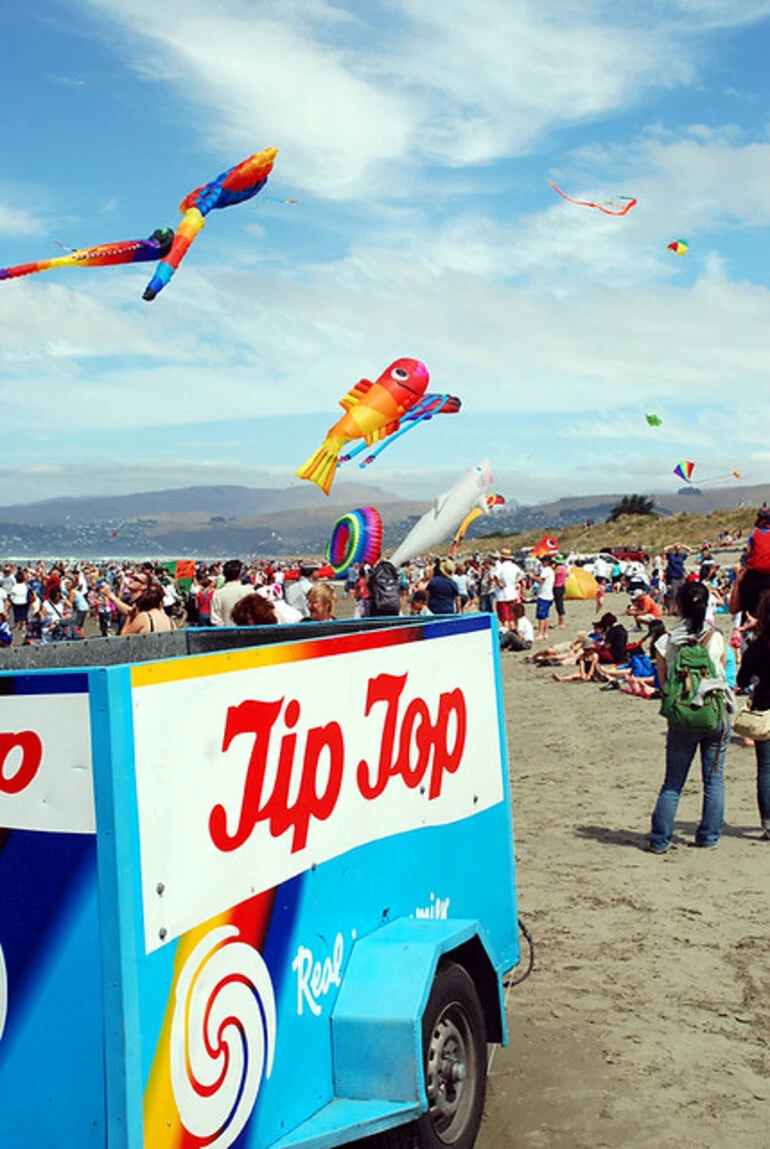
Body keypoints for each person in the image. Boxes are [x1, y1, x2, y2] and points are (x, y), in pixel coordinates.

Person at [648, 581, 730, 854]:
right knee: (714, 780)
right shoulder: (716, 637)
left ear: (679, 605)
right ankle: (709, 836)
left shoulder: (666, 641)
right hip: (714, 714)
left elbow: (663, 683)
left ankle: (660, 839)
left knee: (673, 782)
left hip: (682, 715)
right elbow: (722, 674)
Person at [735, 589, 770, 840]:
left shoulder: (758, 646)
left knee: (766, 768)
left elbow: (742, 679)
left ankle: (769, 823)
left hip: (765, 706)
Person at [211, 559, 251, 627]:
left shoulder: (217, 594)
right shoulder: (250, 591)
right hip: (247, 633)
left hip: (226, 634)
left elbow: (215, 620)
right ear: (240, 574)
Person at [493, 549, 524, 632]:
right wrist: (516, 581)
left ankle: (507, 635)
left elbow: (495, 576)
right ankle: (514, 633)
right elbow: (522, 574)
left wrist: (499, 584)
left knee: (504, 619)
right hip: (512, 594)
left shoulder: (501, 567)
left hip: (502, 595)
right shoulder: (514, 566)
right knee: (512, 618)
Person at [664, 544, 689, 614]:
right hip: (673, 577)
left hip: (681, 576)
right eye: (677, 549)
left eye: (680, 549)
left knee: (682, 594)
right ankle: (672, 610)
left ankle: (680, 609)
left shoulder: (682, 556)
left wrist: (683, 546)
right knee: (674, 594)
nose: (679, 551)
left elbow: (690, 551)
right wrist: (672, 546)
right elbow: (665, 549)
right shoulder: (671, 556)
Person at [552, 555, 568, 629]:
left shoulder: (559, 568)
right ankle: (560, 622)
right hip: (562, 586)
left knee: (559, 605)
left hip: (557, 587)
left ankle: (561, 623)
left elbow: (552, 575)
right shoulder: (564, 568)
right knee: (559, 604)